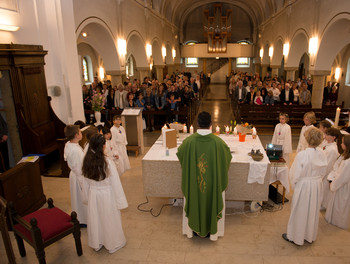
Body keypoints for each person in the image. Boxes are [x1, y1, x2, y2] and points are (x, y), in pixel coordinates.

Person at [177, 111, 232, 241]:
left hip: (194, 185)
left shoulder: (189, 142)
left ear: (197, 124)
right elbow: (227, 157)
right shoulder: (218, 143)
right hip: (212, 184)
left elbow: (180, 154)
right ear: (210, 124)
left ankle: (193, 230)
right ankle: (211, 231)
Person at [82, 134, 128, 253]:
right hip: (107, 194)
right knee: (109, 218)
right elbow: (115, 182)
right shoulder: (107, 162)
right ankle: (112, 243)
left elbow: (85, 182)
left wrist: (87, 196)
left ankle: (98, 242)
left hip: (93, 193)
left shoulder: (86, 161)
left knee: (96, 218)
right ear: (103, 146)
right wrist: (120, 200)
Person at [282, 127, 327, 245]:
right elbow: (323, 171)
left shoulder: (302, 155)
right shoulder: (322, 153)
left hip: (304, 185)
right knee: (312, 211)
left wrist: (295, 185)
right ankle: (309, 235)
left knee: (299, 210)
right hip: (316, 184)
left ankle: (295, 236)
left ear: (307, 139)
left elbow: (294, 174)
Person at [64, 125, 88, 225]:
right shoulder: (75, 150)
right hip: (78, 176)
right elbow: (78, 168)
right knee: (80, 198)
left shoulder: (70, 144)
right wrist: (83, 184)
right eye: (80, 132)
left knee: (78, 198)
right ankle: (82, 220)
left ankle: (82, 217)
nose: (82, 134)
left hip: (76, 175)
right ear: (76, 135)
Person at [325, 135, 350, 229]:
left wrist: (333, 183)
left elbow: (343, 177)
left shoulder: (348, 162)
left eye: (343, 142)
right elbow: (336, 167)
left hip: (342, 187)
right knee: (335, 203)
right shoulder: (344, 155)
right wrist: (332, 177)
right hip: (337, 182)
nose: (341, 144)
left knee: (341, 205)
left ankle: (339, 222)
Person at [320, 128, 341, 210]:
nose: (326, 136)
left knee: (324, 189)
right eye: (326, 134)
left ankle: (323, 204)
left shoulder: (332, 149)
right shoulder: (327, 144)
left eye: (328, 135)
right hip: (322, 169)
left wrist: (322, 174)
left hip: (326, 173)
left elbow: (328, 165)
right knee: (321, 189)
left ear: (334, 137)